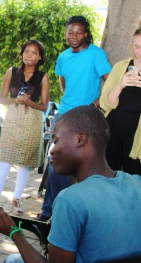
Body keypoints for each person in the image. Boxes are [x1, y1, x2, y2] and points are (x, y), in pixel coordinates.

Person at [0, 105, 141, 263]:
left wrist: (14, 232)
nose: (51, 150)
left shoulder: (71, 200)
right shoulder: (138, 185)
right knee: (12, 262)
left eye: (56, 140)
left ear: (80, 139)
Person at [36, 15, 111, 222]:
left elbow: (110, 83)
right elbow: (63, 83)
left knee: (81, 165)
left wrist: (95, 103)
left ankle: (65, 209)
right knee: (55, 162)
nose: (74, 36)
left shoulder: (97, 54)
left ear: (86, 33)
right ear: (66, 33)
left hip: (85, 117)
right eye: (70, 32)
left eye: (79, 32)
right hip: (64, 115)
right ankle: (50, 209)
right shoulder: (63, 57)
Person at [0, 40, 49, 215]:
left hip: (32, 122)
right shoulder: (12, 72)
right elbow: (2, 99)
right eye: (26, 52)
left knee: (24, 164)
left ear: (40, 57)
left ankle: (16, 199)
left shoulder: (43, 77)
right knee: (5, 161)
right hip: (13, 120)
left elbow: (44, 106)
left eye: (33, 53)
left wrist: (30, 102)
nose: (29, 55)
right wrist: (16, 100)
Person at [100, 18, 141, 181]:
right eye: (137, 47)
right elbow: (105, 103)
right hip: (114, 126)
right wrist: (120, 85)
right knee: (107, 176)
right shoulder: (121, 67)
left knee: (136, 181)